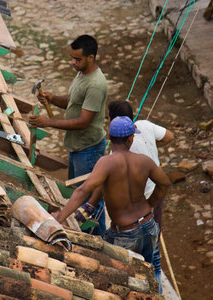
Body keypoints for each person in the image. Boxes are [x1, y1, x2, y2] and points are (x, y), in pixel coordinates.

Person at [54, 116, 171, 285]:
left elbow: (83, 189)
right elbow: (164, 183)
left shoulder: (106, 163)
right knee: (149, 276)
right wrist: (150, 204)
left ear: (109, 137)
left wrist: (60, 217)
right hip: (148, 225)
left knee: (121, 281)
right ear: (131, 138)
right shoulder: (144, 161)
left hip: (125, 233)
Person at [29, 34, 108, 236]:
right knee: (78, 197)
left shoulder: (96, 84)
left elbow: (83, 121)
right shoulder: (81, 74)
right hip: (77, 147)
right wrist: (53, 99)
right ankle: (81, 233)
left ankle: (98, 241)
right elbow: (73, 102)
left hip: (88, 150)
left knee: (91, 202)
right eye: (72, 58)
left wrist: (49, 122)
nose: (73, 63)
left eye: (77, 59)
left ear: (91, 57)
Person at [106, 100, 174, 292]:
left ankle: (145, 288)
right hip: (155, 194)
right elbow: (169, 136)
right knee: (153, 244)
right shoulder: (145, 125)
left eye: (108, 117)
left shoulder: (119, 149)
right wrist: (152, 146)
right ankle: (157, 288)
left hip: (140, 200)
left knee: (135, 255)